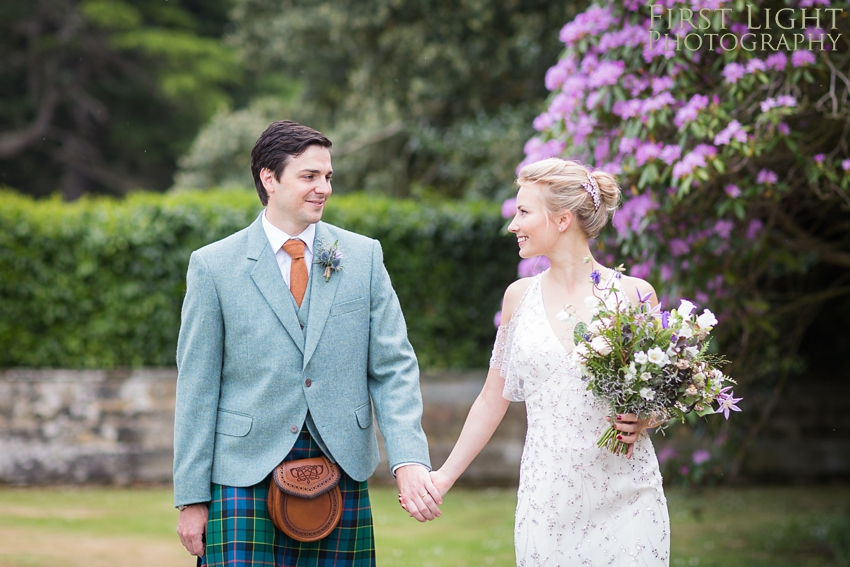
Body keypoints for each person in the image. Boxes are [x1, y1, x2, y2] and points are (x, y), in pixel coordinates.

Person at [173, 120, 442, 567]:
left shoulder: (363, 257)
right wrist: (191, 498)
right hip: (241, 473)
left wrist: (409, 458)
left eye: (328, 177)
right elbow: (197, 388)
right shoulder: (214, 266)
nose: (323, 188)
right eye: (309, 176)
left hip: (340, 465)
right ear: (269, 178)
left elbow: (394, 367)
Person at [429, 158, 670, 566]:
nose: (512, 225)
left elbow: (660, 398)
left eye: (523, 212)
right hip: (547, 501)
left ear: (561, 220)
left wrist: (646, 418)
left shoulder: (634, 295)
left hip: (629, 497)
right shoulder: (518, 298)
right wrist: (443, 477)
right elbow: (491, 399)